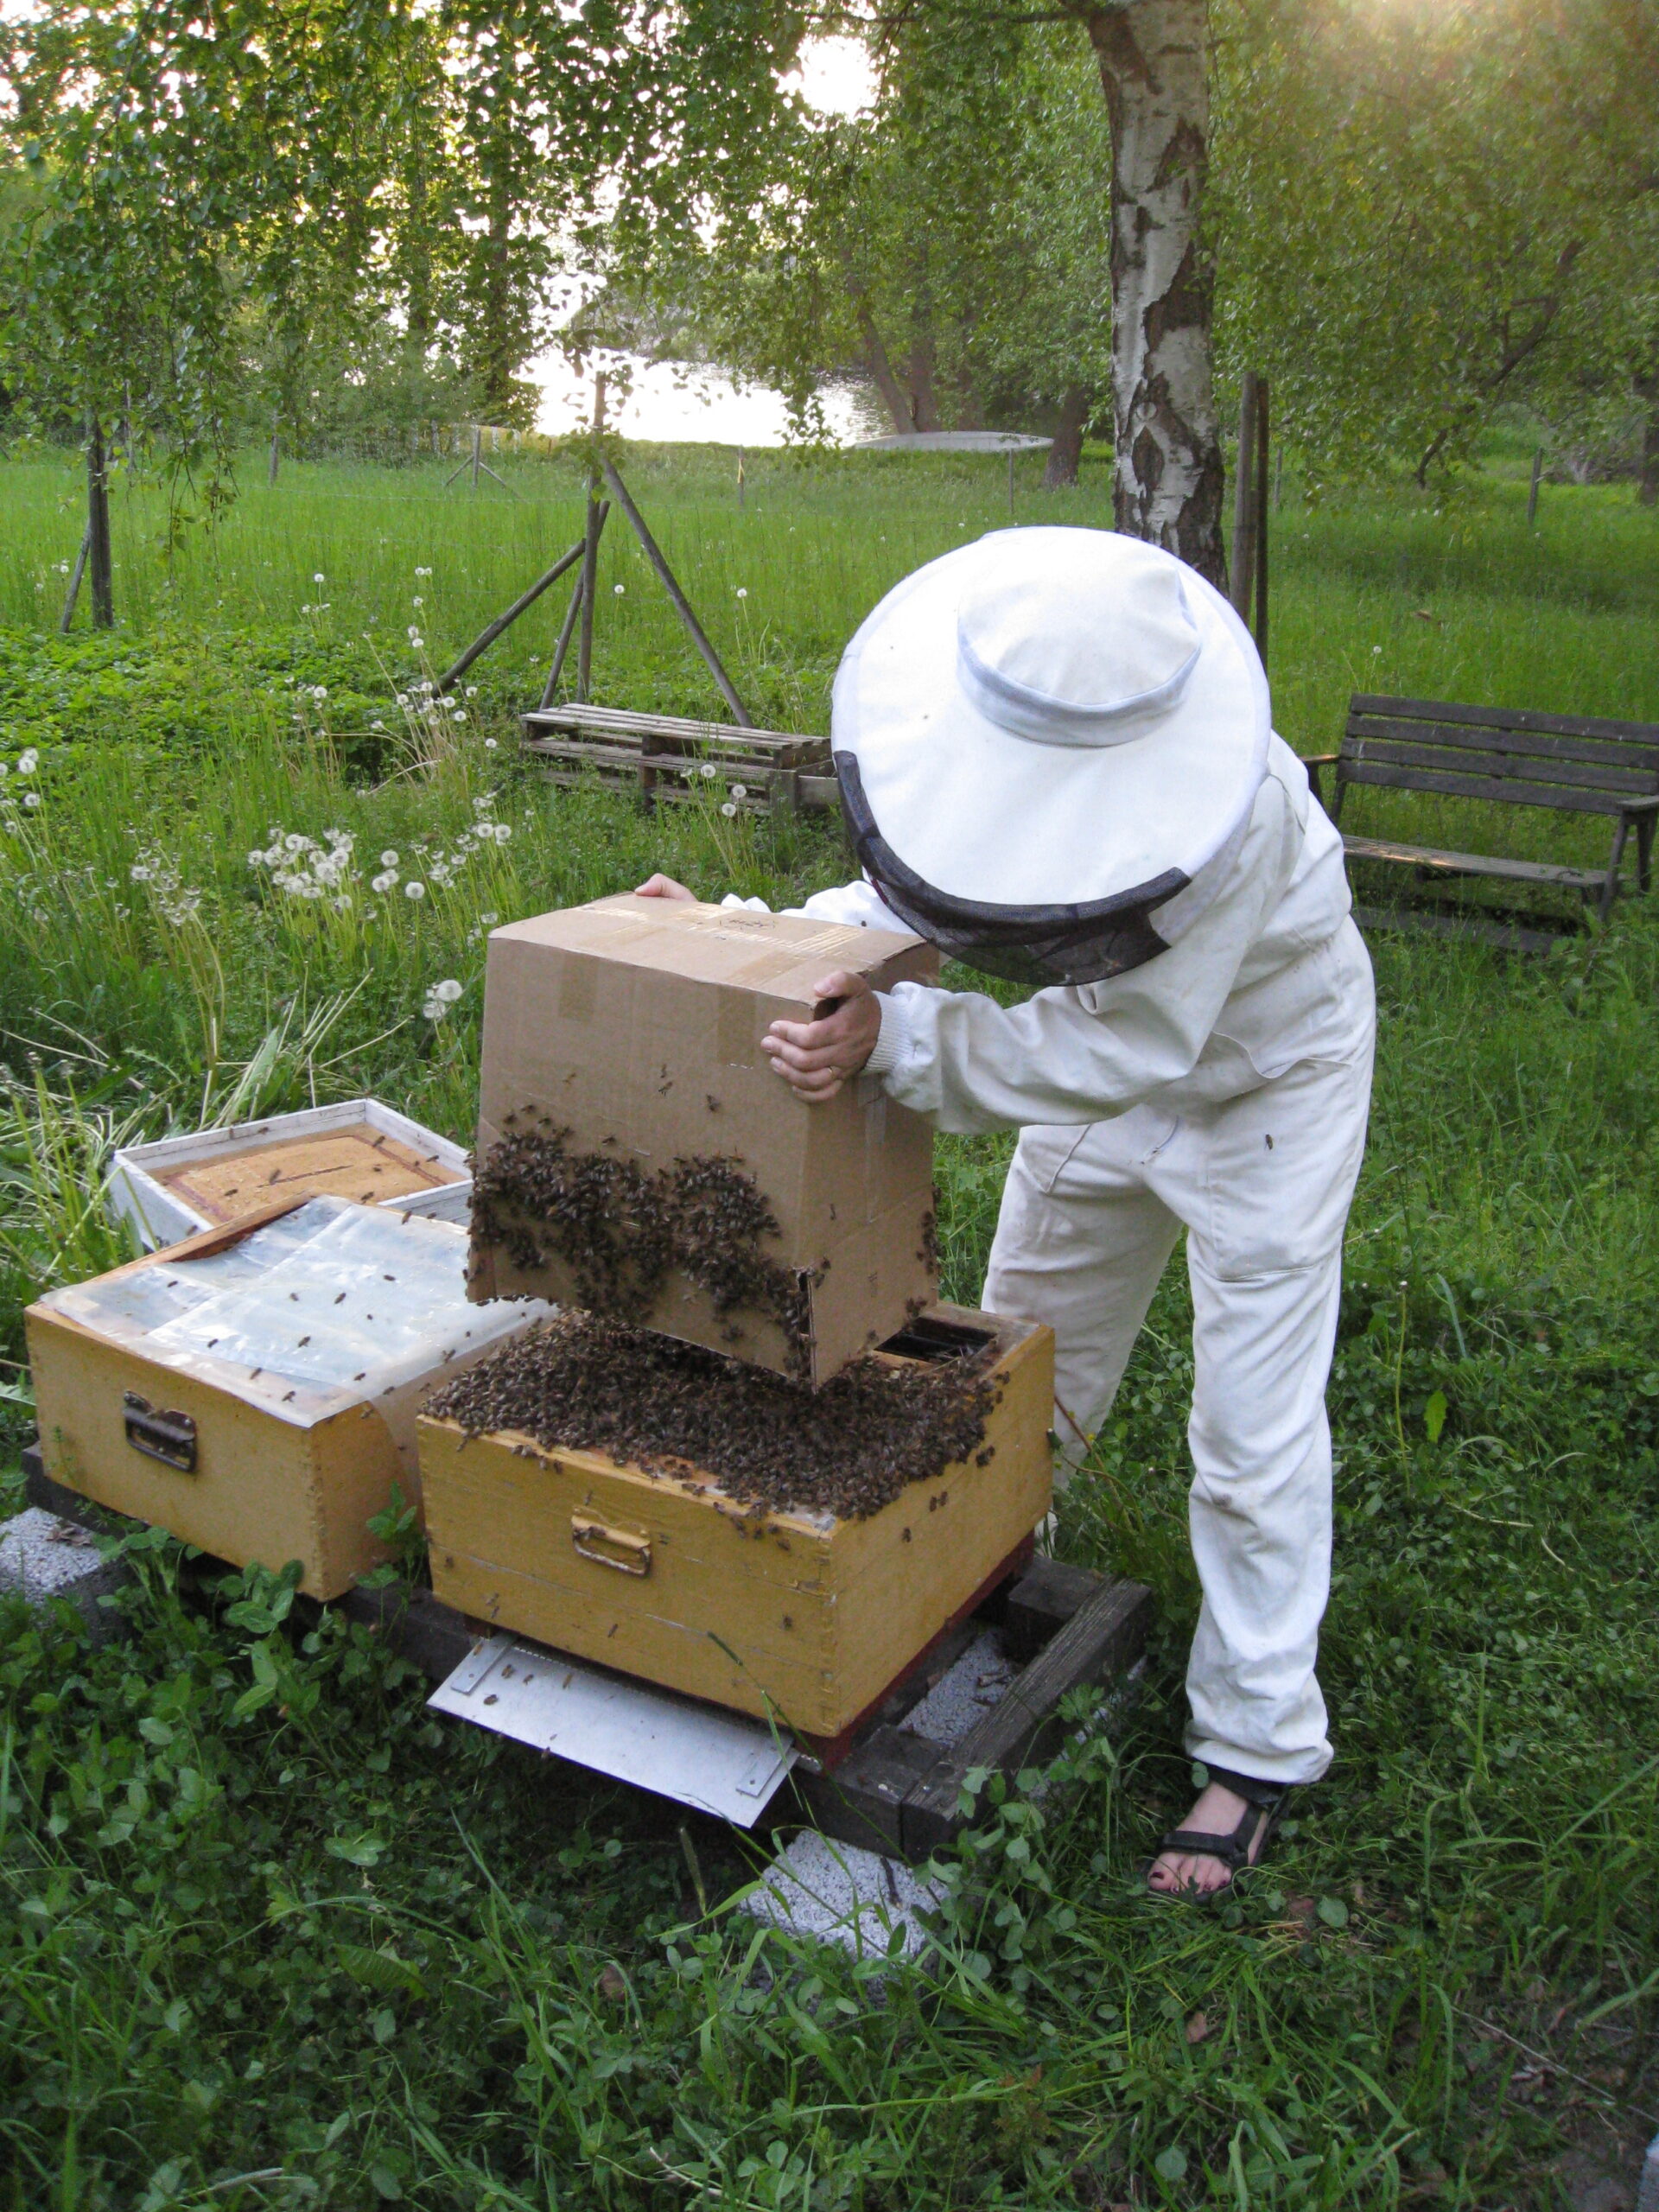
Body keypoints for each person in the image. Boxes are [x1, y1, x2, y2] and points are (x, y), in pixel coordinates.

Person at [638, 526, 1374, 1897]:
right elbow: (916, 881)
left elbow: (1138, 1046)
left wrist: (900, 1045)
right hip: (1093, 1069)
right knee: (1023, 1362)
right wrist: (735, 934)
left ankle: (1257, 1747)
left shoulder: (1240, 821)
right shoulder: (977, 738)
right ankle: (982, 1590)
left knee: (1251, 1428)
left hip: (1264, 1089)